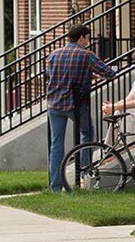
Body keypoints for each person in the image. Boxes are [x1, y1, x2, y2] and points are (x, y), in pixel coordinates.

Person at [44, 26, 116, 192]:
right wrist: (91, 75)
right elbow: (109, 73)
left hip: (54, 103)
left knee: (56, 145)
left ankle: (55, 186)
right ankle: (85, 172)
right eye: (87, 38)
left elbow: (53, 75)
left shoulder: (54, 54)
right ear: (81, 37)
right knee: (87, 133)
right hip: (74, 104)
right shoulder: (86, 55)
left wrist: (88, 75)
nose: (88, 41)